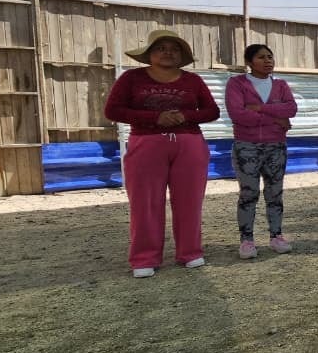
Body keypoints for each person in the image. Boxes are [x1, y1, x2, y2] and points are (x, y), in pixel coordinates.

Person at [103, 28, 220, 278]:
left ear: (181, 55)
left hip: (189, 143)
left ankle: (190, 251)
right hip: (146, 143)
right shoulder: (131, 78)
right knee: (145, 202)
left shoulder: (193, 81)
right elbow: (113, 110)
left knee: (190, 200)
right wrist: (155, 118)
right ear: (149, 54)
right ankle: (144, 257)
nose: (168, 53)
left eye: (174, 49)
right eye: (161, 48)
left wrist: (185, 116)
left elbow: (212, 111)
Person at [225, 44, 299, 259]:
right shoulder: (237, 84)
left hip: (276, 146)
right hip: (246, 146)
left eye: (270, 56)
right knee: (249, 193)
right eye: (261, 57)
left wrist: (261, 108)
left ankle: (276, 236)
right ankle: (247, 240)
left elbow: (291, 109)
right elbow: (238, 114)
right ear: (249, 62)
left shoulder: (281, 85)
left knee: (275, 193)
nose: (268, 61)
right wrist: (276, 119)